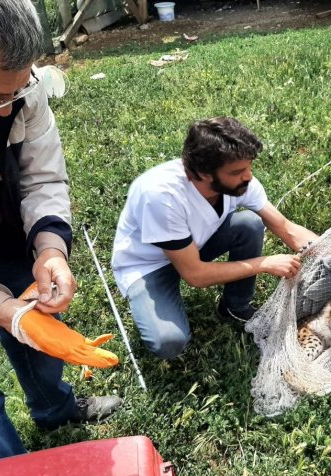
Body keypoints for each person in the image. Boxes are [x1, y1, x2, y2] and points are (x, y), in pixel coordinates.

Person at [0, 0, 121, 464]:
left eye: (14, 93)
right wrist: (7, 313)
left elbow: (42, 178)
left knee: (42, 333)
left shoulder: (21, 91)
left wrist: (50, 248)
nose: (3, 111)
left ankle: (55, 409)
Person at [112, 117, 319, 359]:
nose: (249, 177)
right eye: (238, 171)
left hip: (195, 245)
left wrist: (329, 250)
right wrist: (263, 264)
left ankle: (235, 305)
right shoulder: (161, 196)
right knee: (169, 342)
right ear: (202, 173)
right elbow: (196, 276)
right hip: (149, 266)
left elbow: (286, 227)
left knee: (249, 224)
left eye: (249, 167)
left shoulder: (240, 181)